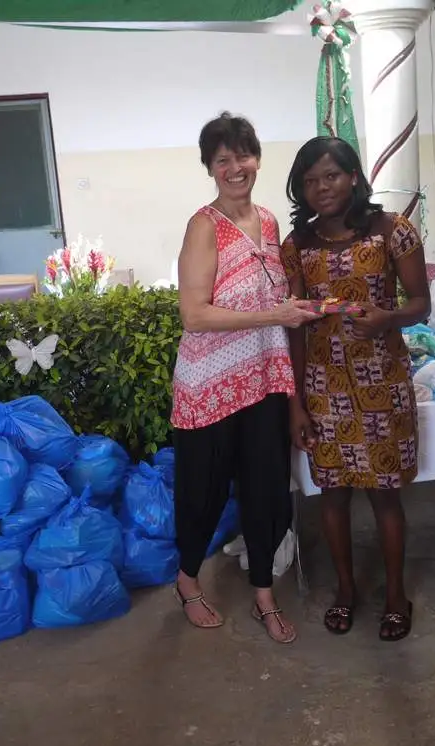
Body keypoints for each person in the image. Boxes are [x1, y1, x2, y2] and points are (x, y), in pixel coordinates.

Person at [171, 112, 321, 644]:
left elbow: (272, 296)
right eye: (223, 160)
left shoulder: (270, 222)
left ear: (257, 159)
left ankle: (263, 595)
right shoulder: (204, 226)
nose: (236, 168)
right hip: (209, 387)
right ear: (210, 168)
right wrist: (274, 316)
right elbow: (194, 315)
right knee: (203, 492)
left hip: (264, 381)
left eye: (244, 156)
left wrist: (297, 309)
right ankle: (188, 581)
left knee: (267, 491)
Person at [281, 136, 430, 642]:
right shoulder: (297, 246)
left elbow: (421, 303)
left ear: (353, 176)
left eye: (331, 175)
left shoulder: (393, 231)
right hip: (323, 387)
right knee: (333, 496)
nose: (322, 188)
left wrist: (388, 318)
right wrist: (296, 403)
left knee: (385, 498)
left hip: (382, 383)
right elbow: (294, 327)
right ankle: (345, 591)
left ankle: (395, 597)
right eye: (310, 180)